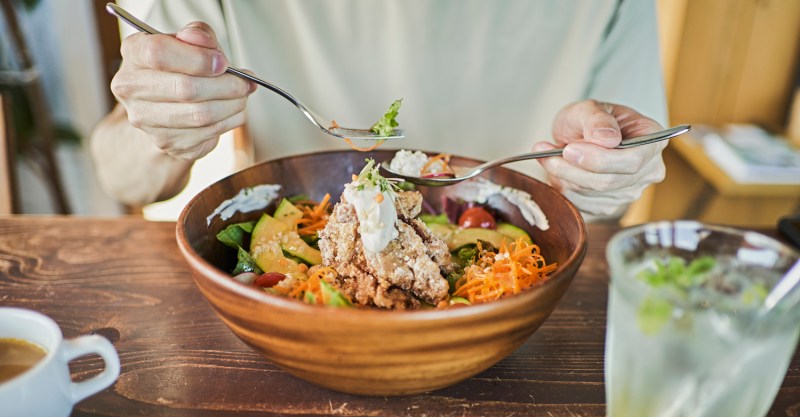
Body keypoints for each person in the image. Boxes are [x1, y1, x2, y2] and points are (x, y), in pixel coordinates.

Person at [90, 0, 668, 219]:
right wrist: (162, 125)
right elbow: (121, 174)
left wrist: (606, 168)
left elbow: (625, 172)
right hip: (294, 309)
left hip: (518, 311)